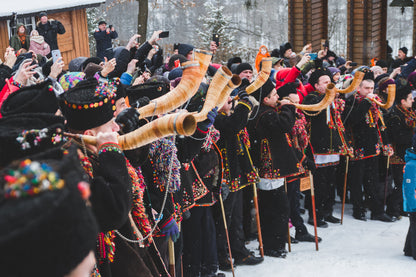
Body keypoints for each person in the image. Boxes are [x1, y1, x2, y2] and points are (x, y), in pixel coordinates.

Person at [247, 79, 301, 257]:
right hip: (269, 169)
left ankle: (277, 241)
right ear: (265, 100)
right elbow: (285, 125)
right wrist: (289, 108)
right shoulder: (266, 114)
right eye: (274, 95)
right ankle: (273, 244)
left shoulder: (265, 112)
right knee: (276, 208)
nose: (278, 97)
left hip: (271, 168)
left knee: (277, 207)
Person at [343, 70, 395, 222]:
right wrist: (366, 102)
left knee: (371, 181)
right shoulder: (352, 101)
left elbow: (380, 125)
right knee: (357, 182)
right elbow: (352, 120)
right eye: (366, 88)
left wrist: (386, 143)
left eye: (372, 89)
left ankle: (377, 211)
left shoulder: (374, 102)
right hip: (357, 147)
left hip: (373, 147)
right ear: (358, 88)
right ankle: (358, 209)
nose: (370, 92)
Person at [303, 68, 352, 227]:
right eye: (325, 82)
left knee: (331, 182)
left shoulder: (335, 98)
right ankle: (315, 214)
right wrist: (327, 98)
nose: (329, 85)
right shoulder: (311, 98)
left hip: (333, 147)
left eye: (330, 81)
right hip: (318, 147)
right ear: (316, 86)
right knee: (319, 183)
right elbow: (311, 111)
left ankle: (328, 211)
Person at [385, 84, 415, 219]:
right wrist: (413, 135)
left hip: (408, 154)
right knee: (401, 183)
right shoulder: (395, 115)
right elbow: (398, 137)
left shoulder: (409, 112)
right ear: (402, 101)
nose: (413, 100)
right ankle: (392, 209)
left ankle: (402, 208)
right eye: (410, 98)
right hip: (398, 154)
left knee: (408, 182)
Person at [402, 133, 416, 260]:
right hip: (414, 204)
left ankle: (409, 249)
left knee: (413, 226)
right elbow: (409, 188)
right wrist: (413, 205)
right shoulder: (412, 165)